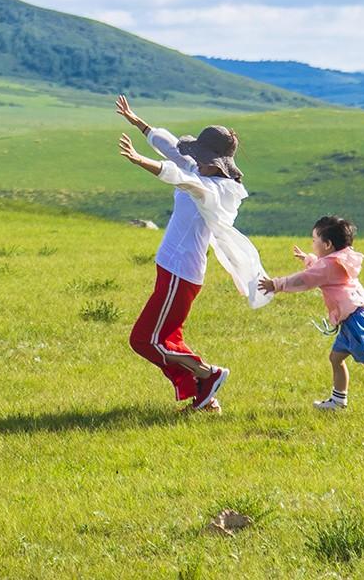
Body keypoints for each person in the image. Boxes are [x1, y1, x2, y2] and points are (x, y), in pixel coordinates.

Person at [115, 95, 268, 413]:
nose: (194, 158)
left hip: (181, 272)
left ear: (217, 162)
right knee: (169, 340)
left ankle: (208, 373)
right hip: (172, 269)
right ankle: (205, 398)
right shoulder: (200, 168)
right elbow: (172, 147)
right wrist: (138, 122)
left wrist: (140, 161)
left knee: (145, 340)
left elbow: (181, 178)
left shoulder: (213, 191)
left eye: (200, 155)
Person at [259, 215, 364, 416]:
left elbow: (305, 280)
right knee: (336, 358)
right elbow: (321, 268)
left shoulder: (328, 266)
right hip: (352, 318)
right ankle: (338, 400)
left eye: (314, 241)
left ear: (328, 244)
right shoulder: (339, 259)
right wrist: (308, 258)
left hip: (355, 320)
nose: (312, 244)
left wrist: (276, 285)